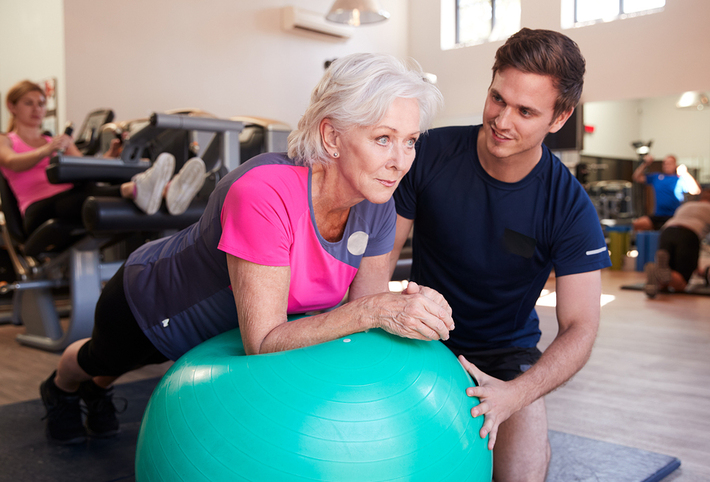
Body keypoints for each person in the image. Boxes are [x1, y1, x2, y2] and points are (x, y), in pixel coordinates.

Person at [38, 53, 453, 445]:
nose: (401, 161)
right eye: (384, 139)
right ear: (332, 137)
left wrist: (398, 313)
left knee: (105, 379)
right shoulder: (263, 192)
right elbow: (269, 339)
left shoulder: (377, 206)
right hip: (155, 307)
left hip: (225, 339)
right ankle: (60, 388)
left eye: (411, 141)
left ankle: (95, 392)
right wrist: (378, 309)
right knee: (102, 362)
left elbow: (359, 325)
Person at [390, 28, 611, 481]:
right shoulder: (429, 153)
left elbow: (580, 326)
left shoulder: (569, 207)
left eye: (525, 111)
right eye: (497, 99)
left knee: (522, 473)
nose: (503, 120)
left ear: (559, 117)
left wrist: (517, 393)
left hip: (505, 357)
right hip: (418, 338)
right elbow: (375, 269)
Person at [0, 80, 207, 236]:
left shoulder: (57, 140)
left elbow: (86, 168)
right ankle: (144, 189)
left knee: (89, 186)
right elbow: (11, 162)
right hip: (38, 209)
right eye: (29, 103)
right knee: (84, 192)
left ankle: (165, 191)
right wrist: (46, 150)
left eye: (41, 103)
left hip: (75, 197)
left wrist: (111, 155)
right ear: (12, 106)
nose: (37, 109)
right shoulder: (7, 140)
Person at [644, 188, 710, 298]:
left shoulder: (686, 206)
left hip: (666, 232)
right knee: (681, 284)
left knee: (666, 279)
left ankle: (658, 272)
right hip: (688, 234)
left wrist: (696, 266)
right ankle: (662, 271)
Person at [631, 153, 701, 231]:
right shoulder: (656, 177)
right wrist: (645, 164)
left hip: (674, 216)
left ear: (675, 164)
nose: (666, 165)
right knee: (637, 224)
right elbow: (636, 177)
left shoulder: (679, 179)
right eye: (665, 163)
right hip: (658, 215)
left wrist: (685, 173)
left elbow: (696, 190)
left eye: (669, 163)